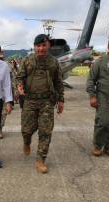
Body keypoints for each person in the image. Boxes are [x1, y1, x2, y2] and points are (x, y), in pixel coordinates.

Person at [16, 34, 64, 173]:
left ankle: (40, 160)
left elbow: (58, 82)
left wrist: (61, 100)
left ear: (48, 46)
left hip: (47, 102)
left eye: (44, 45)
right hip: (30, 101)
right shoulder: (27, 60)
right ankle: (27, 141)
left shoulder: (53, 62)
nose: (41, 48)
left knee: (45, 131)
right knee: (26, 130)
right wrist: (19, 86)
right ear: (34, 46)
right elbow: (19, 77)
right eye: (38, 46)